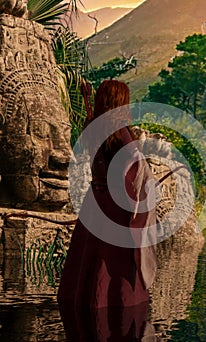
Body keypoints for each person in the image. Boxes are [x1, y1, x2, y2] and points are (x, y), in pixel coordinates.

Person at [57, 80, 157, 309]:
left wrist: (88, 101)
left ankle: (86, 298)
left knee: (91, 252)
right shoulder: (122, 133)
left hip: (95, 200)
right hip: (114, 204)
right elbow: (136, 169)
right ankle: (116, 300)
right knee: (113, 255)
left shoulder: (91, 125)